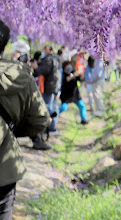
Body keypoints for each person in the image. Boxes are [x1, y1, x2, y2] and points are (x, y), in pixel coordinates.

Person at [0, 20, 50, 219]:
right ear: (5, 46)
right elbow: (40, 119)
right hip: (4, 165)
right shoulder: (21, 75)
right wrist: (10, 131)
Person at [31, 45, 62, 134]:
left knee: (48, 106)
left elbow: (43, 70)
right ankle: (52, 127)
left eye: (44, 49)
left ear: (48, 49)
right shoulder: (55, 58)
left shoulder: (49, 59)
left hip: (49, 86)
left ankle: (49, 128)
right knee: (52, 105)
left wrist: (36, 67)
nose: (43, 51)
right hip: (53, 85)